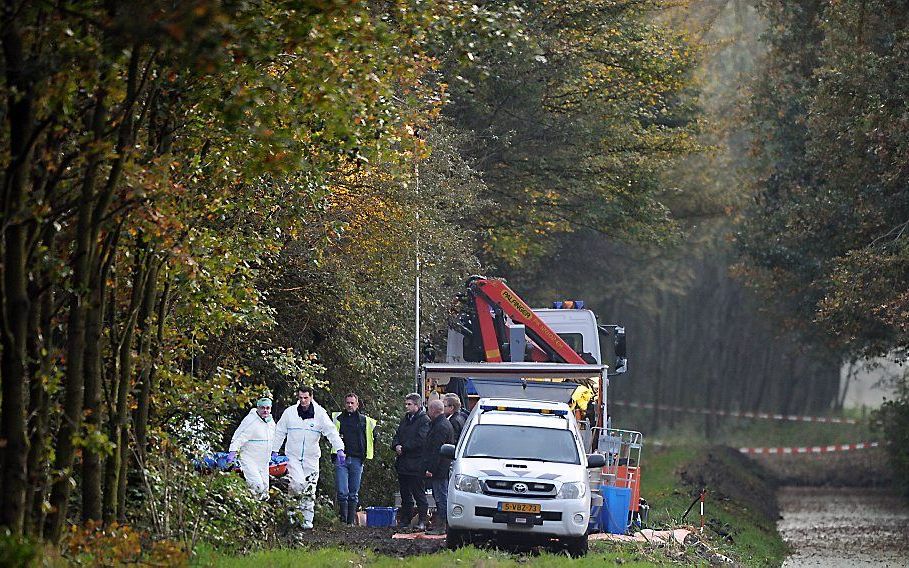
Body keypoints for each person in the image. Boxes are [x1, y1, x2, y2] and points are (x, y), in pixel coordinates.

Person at [272, 385, 345, 529]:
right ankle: (292, 517)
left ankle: (307, 521)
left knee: (310, 487)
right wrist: (274, 450)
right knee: (296, 484)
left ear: (311, 397)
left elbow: (331, 432)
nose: (303, 401)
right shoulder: (290, 413)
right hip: (292, 456)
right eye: (300, 398)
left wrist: (340, 448)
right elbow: (280, 431)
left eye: (306, 398)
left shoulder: (320, 414)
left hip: (311, 457)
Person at [331, 393, 377, 525]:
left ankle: (350, 522)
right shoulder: (338, 419)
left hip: (357, 459)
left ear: (357, 404)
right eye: (347, 403)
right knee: (342, 491)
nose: (350, 405)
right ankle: (343, 520)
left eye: (352, 403)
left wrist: (364, 455)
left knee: (353, 493)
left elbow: (373, 438)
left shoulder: (365, 420)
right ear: (344, 404)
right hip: (341, 459)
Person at [392, 393, 430, 530]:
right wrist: (396, 445)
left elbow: (421, 440)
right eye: (406, 404)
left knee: (419, 494)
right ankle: (405, 520)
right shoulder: (405, 420)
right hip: (403, 464)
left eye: (409, 404)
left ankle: (422, 520)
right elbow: (397, 435)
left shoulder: (424, 420)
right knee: (405, 495)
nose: (406, 407)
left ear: (417, 405)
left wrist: (405, 448)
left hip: (416, 464)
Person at [228, 396, 276, 499]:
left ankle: (258, 512)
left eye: (267, 408)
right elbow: (239, 437)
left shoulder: (271, 423)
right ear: (258, 408)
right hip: (250, 460)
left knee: (265, 492)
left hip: (263, 462)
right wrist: (233, 451)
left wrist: (274, 451)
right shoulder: (251, 421)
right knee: (257, 487)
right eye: (262, 408)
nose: (265, 411)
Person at [423, 399, 454, 535]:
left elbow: (436, 450)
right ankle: (442, 524)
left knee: (441, 497)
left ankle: (442, 526)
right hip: (442, 468)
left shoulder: (440, 427)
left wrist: (431, 469)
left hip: (439, 470)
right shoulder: (443, 424)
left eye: (429, 409)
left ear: (434, 410)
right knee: (441, 495)